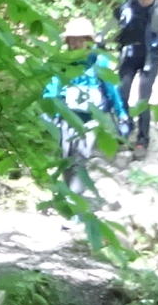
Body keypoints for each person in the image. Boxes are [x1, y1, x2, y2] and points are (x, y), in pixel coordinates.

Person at [44, 17, 128, 198]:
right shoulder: (61, 61)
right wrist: (48, 110)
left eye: (80, 39)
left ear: (89, 41)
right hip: (66, 116)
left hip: (90, 119)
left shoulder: (100, 61)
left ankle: (74, 201)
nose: (76, 43)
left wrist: (121, 114)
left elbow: (111, 89)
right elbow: (53, 86)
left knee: (80, 157)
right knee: (66, 157)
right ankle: (69, 194)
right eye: (73, 40)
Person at [115, 0, 158, 152]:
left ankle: (143, 138)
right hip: (130, 55)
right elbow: (111, 25)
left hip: (151, 57)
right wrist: (100, 38)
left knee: (143, 97)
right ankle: (124, 129)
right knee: (122, 92)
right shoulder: (127, 8)